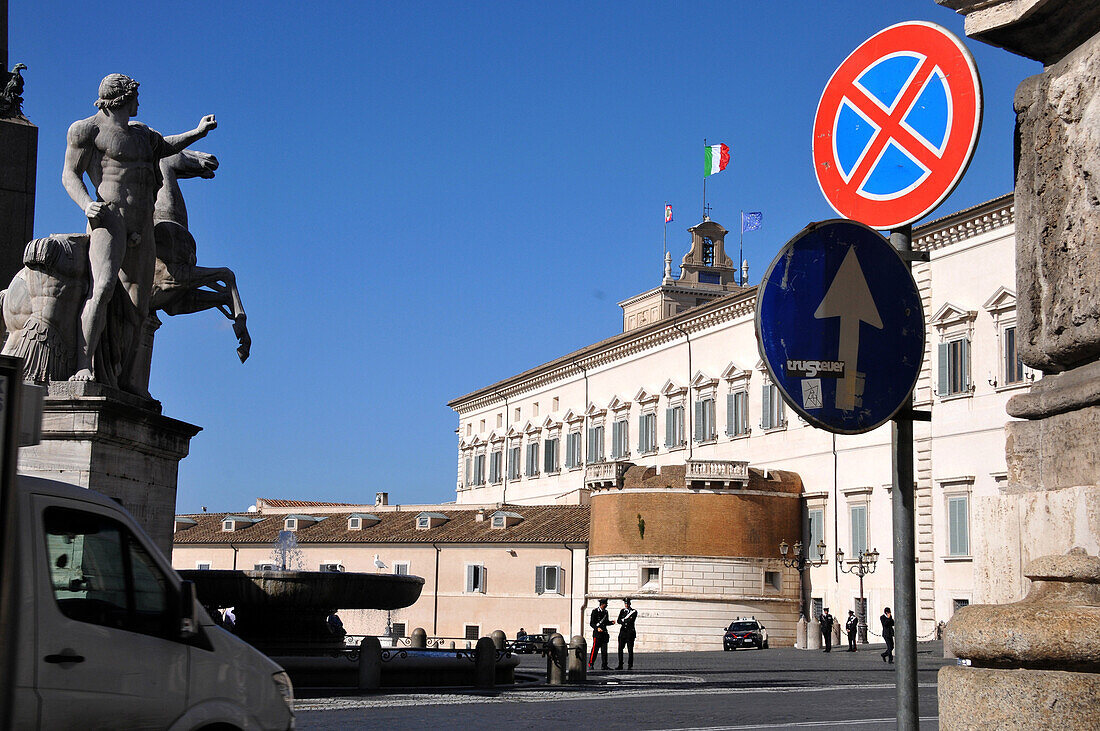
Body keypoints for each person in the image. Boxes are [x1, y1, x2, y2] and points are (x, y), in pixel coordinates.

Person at [62, 73, 216, 393]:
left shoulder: (143, 135)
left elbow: (168, 147)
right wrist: (87, 204)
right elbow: (69, 174)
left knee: (139, 305)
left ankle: (127, 379)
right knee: (102, 288)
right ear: (121, 98)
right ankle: (83, 363)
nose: (138, 102)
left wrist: (198, 132)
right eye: (135, 96)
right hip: (109, 218)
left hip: (142, 223)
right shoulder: (86, 129)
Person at [588, 598, 611, 670]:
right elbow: (592, 623)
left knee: (604, 651)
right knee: (595, 650)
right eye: (605, 604)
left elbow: (606, 622)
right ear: (602, 604)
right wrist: (597, 628)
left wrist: (611, 623)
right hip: (597, 635)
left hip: (604, 634)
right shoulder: (595, 611)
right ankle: (591, 664)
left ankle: (604, 665)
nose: (606, 605)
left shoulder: (606, 612)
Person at [615, 597, 638, 670]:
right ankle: (620, 664)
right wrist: (624, 621)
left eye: (627, 603)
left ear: (629, 604)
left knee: (630, 649)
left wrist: (623, 621)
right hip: (623, 633)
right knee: (620, 649)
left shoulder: (634, 611)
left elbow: (631, 621)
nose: (626, 605)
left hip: (630, 633)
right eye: (625, 603)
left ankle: (630, 664)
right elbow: (618, 620)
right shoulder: (622, 611)